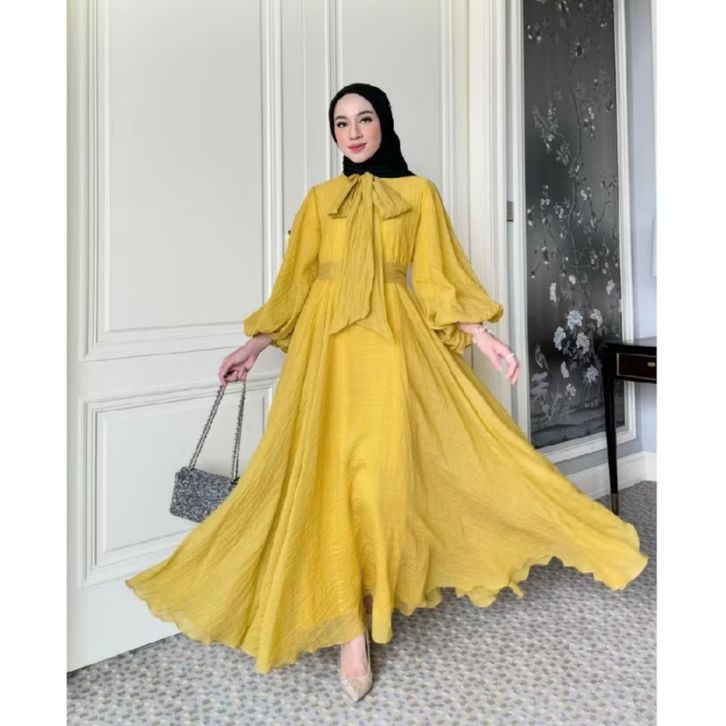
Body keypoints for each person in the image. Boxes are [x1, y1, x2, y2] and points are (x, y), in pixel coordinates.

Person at [126, 82, 648, 703]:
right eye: (341, 123)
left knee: (378, 485)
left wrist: (484, 338)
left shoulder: (419, 194)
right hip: (325, 357)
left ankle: (370, 612)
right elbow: (295, 284)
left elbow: (438, 278)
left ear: (384, 123)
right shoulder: (319, 200)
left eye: (364, 118)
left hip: (393, 350)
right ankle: (351, 631)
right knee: (325, 484)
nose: (352, 132)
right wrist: (255, 344)